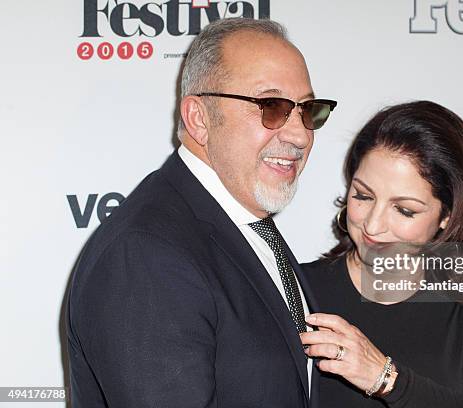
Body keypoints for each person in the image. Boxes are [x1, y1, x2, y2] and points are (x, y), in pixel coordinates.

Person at [66, 18, 337, 407]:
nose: (299, 135)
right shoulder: (147, 254)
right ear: (198, 118)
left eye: (308, 110)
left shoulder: (246, 223)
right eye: (271, 107)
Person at [300, 101, 463, 407]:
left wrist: (385, 378)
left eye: (404, 210)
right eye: (363, 196)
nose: (373, 225)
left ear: (448, 215)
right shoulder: (301, 290)